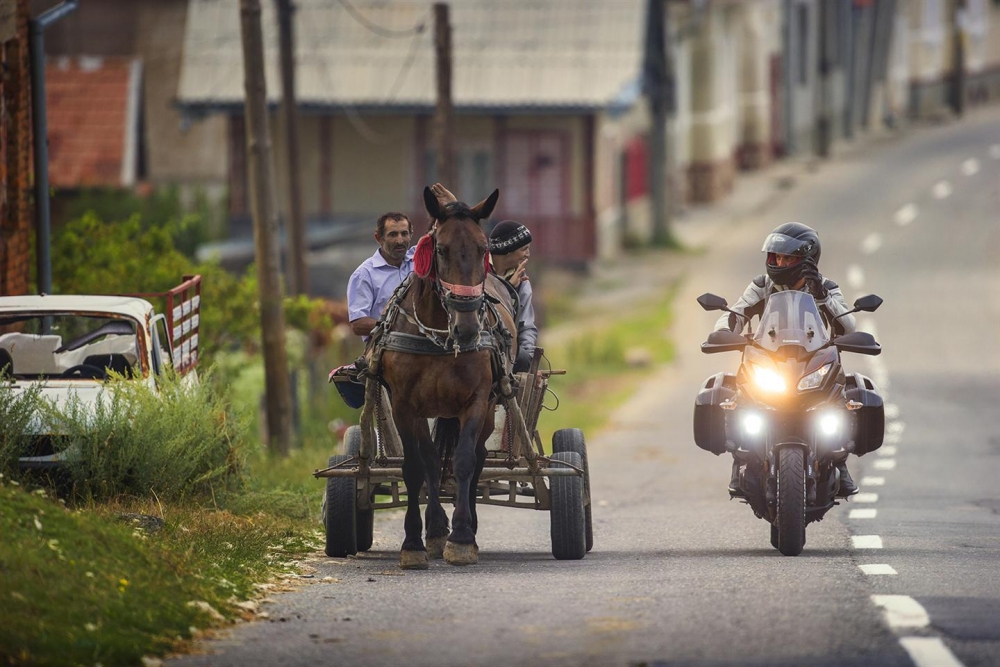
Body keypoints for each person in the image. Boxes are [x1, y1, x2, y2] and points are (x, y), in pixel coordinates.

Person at [717, 222, 859, 497]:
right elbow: (736, 313)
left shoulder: (825, 287)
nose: (780, 262)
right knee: (741, 395)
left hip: (812, 361)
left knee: (838, 395)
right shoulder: (762, 285)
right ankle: (741, 459)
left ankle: (839, 462)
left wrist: (822, 296)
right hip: (771, 359)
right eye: (776, 257)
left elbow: (848, 326)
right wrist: (723, 331)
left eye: (788, 258)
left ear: (806, 259)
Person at [347, 212, 415, 340]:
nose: (400, 240)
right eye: (393, 234)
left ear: (411, 235)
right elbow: (358, 324)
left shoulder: (420, 262)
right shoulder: (364, 274)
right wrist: (397, 326)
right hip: (385, 349)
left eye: (404, 234)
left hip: (425, 349)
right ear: (379, 238)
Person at [489, 220, 538, 373]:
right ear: (508, 250)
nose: (528, 254)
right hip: (481, 344)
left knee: (522, 358)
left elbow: (527, 325)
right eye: (524, 249)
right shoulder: (479, 273)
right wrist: (507, 289)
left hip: (508, 348)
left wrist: (528, 358)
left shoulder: (522, 281)